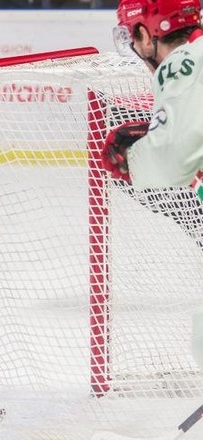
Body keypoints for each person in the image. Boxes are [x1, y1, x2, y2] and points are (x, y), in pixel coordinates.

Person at [102, 0, 203, 368]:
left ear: (147, 34)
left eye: (133, 35)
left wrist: (133, 162)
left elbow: (171, 161)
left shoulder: (180, 64)